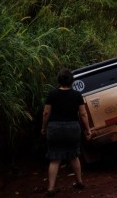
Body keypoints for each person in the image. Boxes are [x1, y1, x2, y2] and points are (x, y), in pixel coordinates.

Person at [41, 68, 92, 196]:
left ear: (59, 80)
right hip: (72, 128)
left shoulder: (52, 94)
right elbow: (83, 114)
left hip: (55, 128)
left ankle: (51, 188)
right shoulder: (77, 95)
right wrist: (87, 129)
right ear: (72, 81)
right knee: (74, 156)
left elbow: (46, 113)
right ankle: (79, 181)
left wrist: (43, 127)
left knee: (55, 159)